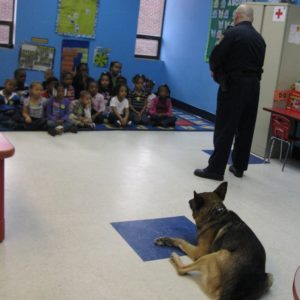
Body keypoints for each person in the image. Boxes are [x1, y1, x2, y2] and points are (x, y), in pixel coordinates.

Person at [194, 4, 266, 181]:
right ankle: (239, 166)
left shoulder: (232, 33)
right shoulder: (260, 39)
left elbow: (215, 57)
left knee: (226, 127)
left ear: (237, 16)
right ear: (252, 19)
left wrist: (216, 72)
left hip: (234, 85)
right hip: (254, 85)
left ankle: (215, 169)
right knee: (245, 127)